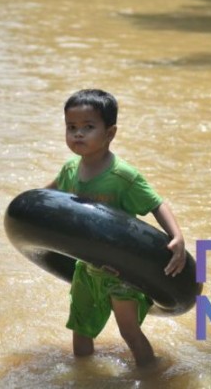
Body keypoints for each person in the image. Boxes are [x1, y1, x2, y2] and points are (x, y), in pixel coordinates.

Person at [45, 89, 187, 368]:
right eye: (71, 127)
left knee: (129, 332)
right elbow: (44, 199)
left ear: (110, 133)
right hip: (86, 268)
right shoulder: (69, 170)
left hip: (123, 272)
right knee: (80, 329)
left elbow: (156, 204)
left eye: (88, 127)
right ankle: (84, 377)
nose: (78, 134)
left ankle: (152, 374)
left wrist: (177, 237)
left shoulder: (122, 177)